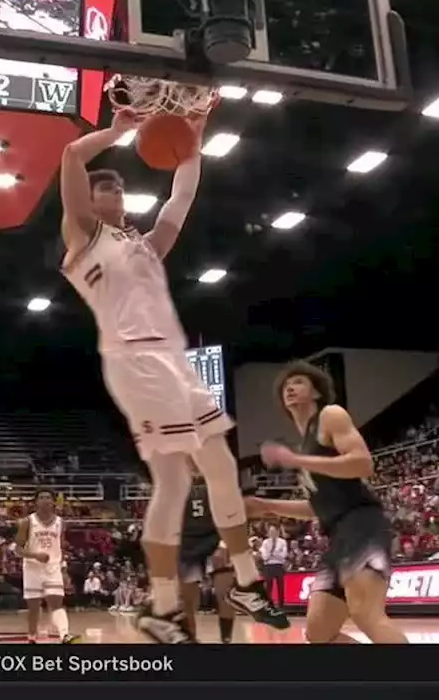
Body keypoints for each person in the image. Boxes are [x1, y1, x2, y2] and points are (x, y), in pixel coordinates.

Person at [59, 110, 286, 642]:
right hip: (133, 359)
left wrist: (193, 147)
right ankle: (161, 605)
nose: (114, 194)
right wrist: (118, 133)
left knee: (221, 466)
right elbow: (71, 157)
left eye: (118, 189)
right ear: (90, 203)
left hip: (173, 360)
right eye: (104, 190)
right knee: (175, 480)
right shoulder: (84, 239)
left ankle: (247, 580)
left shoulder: (146, 247)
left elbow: (179, 197)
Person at [248, 360, 408, 644]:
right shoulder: (305, 448)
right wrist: (266, 505)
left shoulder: (330, 416)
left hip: (362, 525)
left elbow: (362, 463)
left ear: (317, 392)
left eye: (298, 382)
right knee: (319, 633)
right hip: (337, 537)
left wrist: (296, 460)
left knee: (366, 614)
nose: (290, 388)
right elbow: (316, 508)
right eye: (286, 386)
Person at [179, 472, 252, 643]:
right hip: (187, 545)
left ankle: (226, 640)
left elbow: (235, 519)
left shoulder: (219, 486)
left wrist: (224, 545)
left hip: (215, 541)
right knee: (186, 601)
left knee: (225, 593)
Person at [13, 490, 80, 643]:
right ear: (35, 502)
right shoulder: (26, 522)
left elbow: (61, 547)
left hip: (53, 567)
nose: (45, 500)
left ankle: (64, 634)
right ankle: (32, 636)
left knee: (56, 602)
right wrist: (35, 555)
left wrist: (64, 569)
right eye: (41, 497)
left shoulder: (61, 523)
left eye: (48, 497)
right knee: (34, 607)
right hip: (32, 568)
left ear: (54, 501)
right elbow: (17, 549)